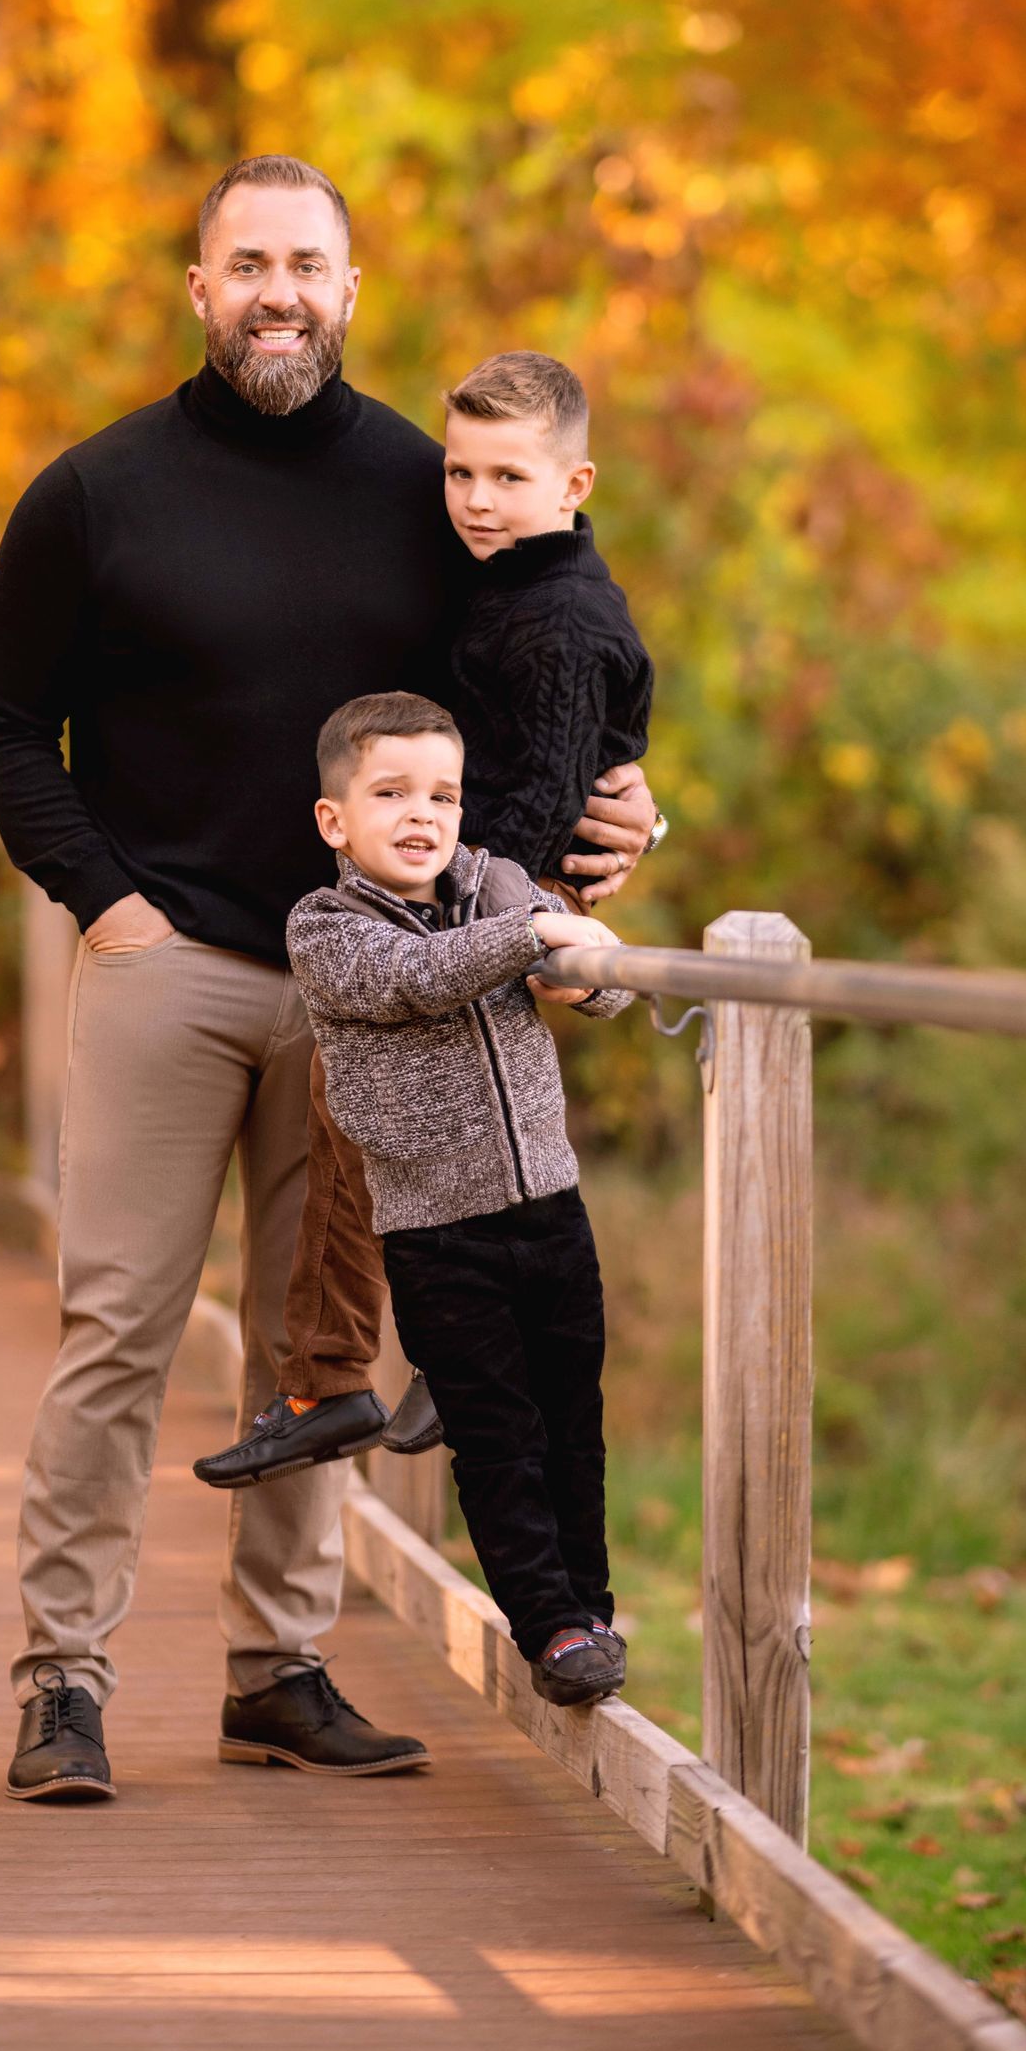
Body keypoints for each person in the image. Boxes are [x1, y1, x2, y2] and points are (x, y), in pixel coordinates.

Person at [0, 153, 657, 1803]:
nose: (279, 289)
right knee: (115, 1324)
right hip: (174, 963)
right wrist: (108, 904)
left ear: (352, 290)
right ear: (199, 288)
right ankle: (62, 1678)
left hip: (381, 985)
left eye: (309, 263)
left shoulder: (434, 494)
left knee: (315, 1341)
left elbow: (545, 678)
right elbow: (1, 726)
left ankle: (279, 1667)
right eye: (247, 260)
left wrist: (620, 805)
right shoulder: (94, 492)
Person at [197, 347, 656, 1492]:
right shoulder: (505, 583)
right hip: (452, 896)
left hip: (485, 908)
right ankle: (331, 1372)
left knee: (445, 1141)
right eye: (461, 475)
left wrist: (453, 920)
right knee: (364, 1127)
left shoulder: (559, 619)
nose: (478, 500)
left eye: (507, 476)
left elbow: (548, 792)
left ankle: (378, 1362)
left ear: (575, 483)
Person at [283, 692, 634, 1707]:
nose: (423, 814)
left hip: (550, 1207)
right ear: (334, 819)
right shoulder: (328, 927)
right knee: (495, 1431)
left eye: (442, 792)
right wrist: (532, 931)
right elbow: (419, 978)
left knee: (574, 1416)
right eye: (390, 792)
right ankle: (549, 1622)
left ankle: (593, 1604)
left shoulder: (499, 884)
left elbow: (604, 984)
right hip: (437, 1230)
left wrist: (580, 962)